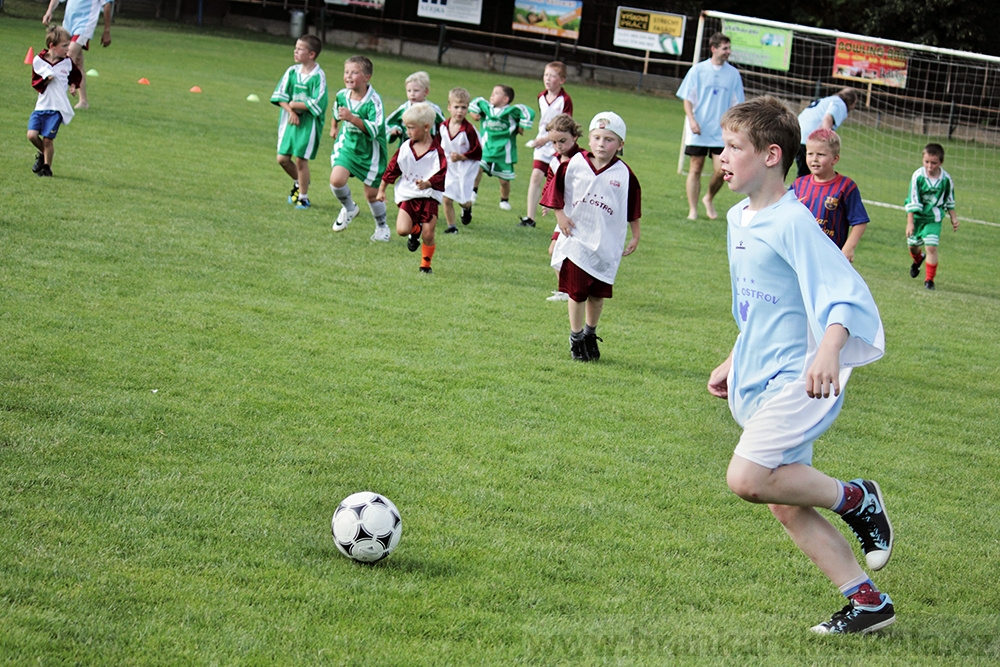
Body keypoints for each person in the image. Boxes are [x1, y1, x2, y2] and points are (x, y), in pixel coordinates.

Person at [707, 96, 895, 635]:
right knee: (784, 502)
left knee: (746, 477)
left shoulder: (796, 222)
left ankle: (856, 497)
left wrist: (830, 350)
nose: (723, 157)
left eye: (733, 147)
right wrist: (733, 356)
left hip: (801, 380)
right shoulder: (739, 217)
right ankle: (867, 602)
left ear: (770, 155)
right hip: (758, 376)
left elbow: (845, 296)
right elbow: (761, 304)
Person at [543, 112, 640, 361]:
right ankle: (575, 338)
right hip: (576, 237)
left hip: (606, 242)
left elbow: (632, 206)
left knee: (597, 294)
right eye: (597, 137)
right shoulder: (574, 163)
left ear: (620, 145)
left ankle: (589, 333)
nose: (601, 144)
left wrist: (635, 235)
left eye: (609, 139)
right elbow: (556, 190)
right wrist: (560, 216)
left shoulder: (624, 174)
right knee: (576, 293)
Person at [676, 32, 744, 220]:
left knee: (722, 170)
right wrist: (691, 120)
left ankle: (709, 198)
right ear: (714, 49)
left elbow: (737, 104)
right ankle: (693, 210)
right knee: (695, 167)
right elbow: (688, 99)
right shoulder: (698, 70)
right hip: (699, 129)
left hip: (721, 132)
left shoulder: (733, 74)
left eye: (729, 48)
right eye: (725, 48)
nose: (728, 52)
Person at [377, 103, 447, 274]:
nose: (407, 131)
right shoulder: (406, 148)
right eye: (406, 127)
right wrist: (382, 189)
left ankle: (425, 265)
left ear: (426, 128)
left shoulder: (436, 151)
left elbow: (442, 172)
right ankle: (415, 231)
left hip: (429, 196)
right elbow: (393, 168)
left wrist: (429, 183)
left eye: (411, 128)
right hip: (409, 194)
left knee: (429, 233)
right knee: (402, 230)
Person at [329, 55, 391, 242]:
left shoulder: (374, 101)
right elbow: (336, 110)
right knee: (336, 180)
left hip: (370, 152)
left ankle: (382, 227)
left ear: (366, 77)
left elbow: (374, 130)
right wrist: (334, 126)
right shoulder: (342, 95)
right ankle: (349, 208)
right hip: (348, 146)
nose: (348, 76)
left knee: (371, 194)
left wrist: (352, 118)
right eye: (346, 72)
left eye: (354, 72)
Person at [791, 129, 869, 262]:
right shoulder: (799, 184)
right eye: (810, 154)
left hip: (831, 257)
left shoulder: (846, 187)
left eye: (821, 154)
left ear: (835, 159)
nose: (814, 159)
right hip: (799, 254)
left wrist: (849, 247)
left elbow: (860, 221)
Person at [270, 34, 327, 210]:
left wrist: (295, 104)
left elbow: (318, 102)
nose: (295, 51)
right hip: (289, 122)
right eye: (295, 48)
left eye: (300, 49)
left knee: (301, 160)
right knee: (282, 159)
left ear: (311, 54)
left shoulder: (318, 76)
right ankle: (300, 181)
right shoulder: (292, 71)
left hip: (308, 124)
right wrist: (290, 110)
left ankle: (303, 197)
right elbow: (280, 96)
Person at [520, 61, 573, 228]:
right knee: (535, 176)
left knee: (559, 182)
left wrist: (549, 139)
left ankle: (564, 215)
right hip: (541, 144)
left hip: (557, 146)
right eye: (546, 75)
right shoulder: (541, 96)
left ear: (562, 80)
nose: (548, 79)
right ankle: (530, 218)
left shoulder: (565, 100)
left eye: (553, 76)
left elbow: (564, 125)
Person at [540, 113, 584, 302]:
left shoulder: (583, 160)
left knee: (562, 252)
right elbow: (550, 182)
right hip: (563, 213)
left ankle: (569, 291)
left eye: (562, 141)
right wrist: (546, 203)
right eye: (554, 142)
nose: (558, 146)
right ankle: (565, 290)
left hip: (578, 214)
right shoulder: (555, 160)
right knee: (555, 251)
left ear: (574, 136)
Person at [469, 85, 535, 212]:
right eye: (492, 92)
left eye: (496, 93)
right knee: (477, 169)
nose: (492, 95)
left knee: (504, 181)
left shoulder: (512, 112)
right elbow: (475, 102)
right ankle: (473, 192)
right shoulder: (486, 107)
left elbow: (528, 111)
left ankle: (504, 200)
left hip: (504, 152)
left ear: (505, 99)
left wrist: (521, 125)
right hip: (486, 148)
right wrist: (473, 113)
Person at [28, 25, 81, 178]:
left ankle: (47, 168)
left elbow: (75, 76)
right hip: (41, 106)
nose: (67, 49)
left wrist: (73, 86)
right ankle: (42, 154)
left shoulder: (67, 62)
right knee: (31, 135)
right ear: (52, 46)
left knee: (48, 139)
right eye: (64, 46)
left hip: (57, 108)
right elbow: (35, 82)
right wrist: (45, 80)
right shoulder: (38, 61)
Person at [905, 142, 958, 290]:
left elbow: (949, 200)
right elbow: (912, 199)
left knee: (932, 247)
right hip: (917, 217)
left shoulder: (946, 180)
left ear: (941, 162)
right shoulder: (917, 176)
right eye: (926, 162)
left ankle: (929, 281)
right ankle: (918, 260)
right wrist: (910, 222)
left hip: (934, 219)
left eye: (934, 163)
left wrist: (953, 218)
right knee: (913, 246)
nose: (929, 166)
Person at [42, 0, 112, 110]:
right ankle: (83, 101)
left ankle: (58, 96)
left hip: (85, 25)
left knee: (69, 54)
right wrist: (49, 11)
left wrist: (107, 30)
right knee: (78, 62)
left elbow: (107, 5)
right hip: (68, 25)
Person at [438, 87, 482, 234]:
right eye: (456, 107)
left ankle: (467, 207)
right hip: (450, 167)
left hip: (466, 167)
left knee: (462, 198)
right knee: (447, 198)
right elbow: (438, 145)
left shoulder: (468, 130)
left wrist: (462, 156)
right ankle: (452, 227)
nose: (460, 111)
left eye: (464, 108)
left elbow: (478, 151)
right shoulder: (443, 127)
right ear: (449, 107)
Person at [795, 88, 859, 178]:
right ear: (851, 103)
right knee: (810, 174)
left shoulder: (828, 100)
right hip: (807, 138)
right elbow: (828, 118)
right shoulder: (840, 104)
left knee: (805, 173)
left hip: (797, 134)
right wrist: (825, 140)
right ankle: (799, 191)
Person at [386, 71, 444, 146]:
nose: (412, 94)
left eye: (416, 90)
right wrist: (395, 130)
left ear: (426, 92)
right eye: (409, 91)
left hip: (429, 149)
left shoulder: (433, 109)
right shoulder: (404, 109)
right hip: (407, 150)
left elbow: (444, 126)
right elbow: (388, 122)